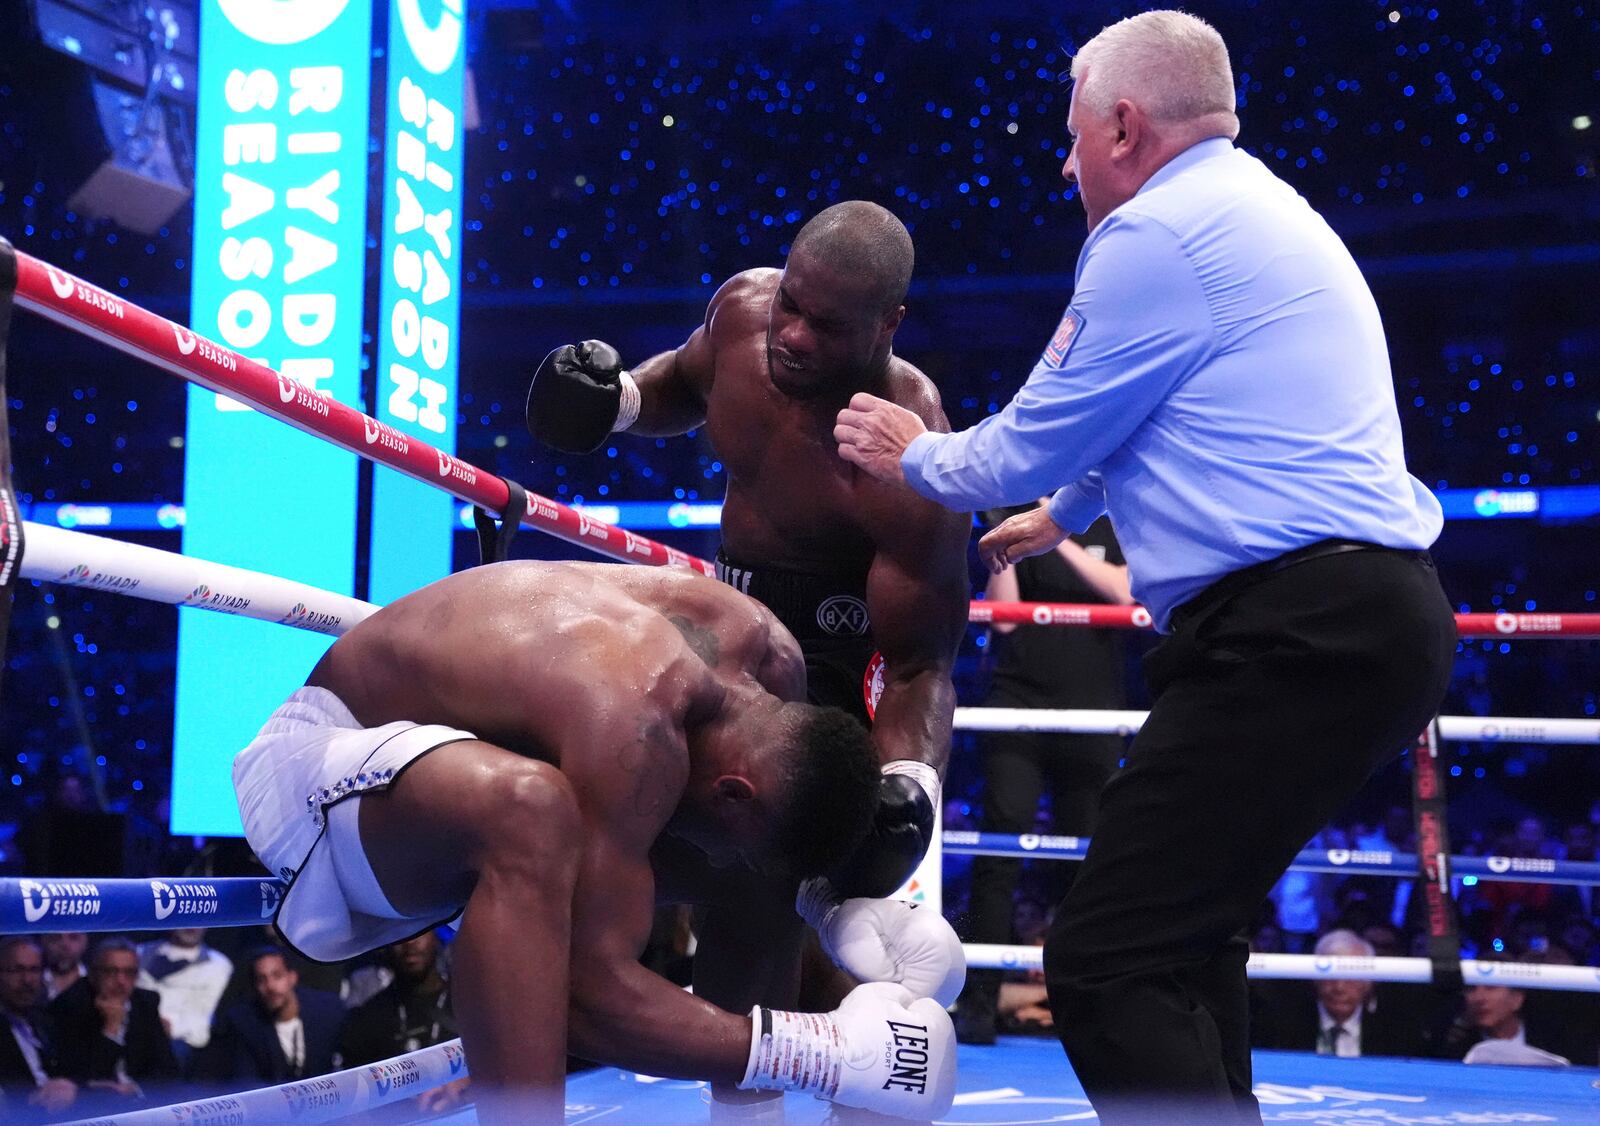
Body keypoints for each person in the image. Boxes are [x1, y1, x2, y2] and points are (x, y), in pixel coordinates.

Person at [833, 10, 1457, 1121]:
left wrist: (912, 453)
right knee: (1182, 937)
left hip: (1294, 630)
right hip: (1346, 619)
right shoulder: (1250, 206)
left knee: (1104, 956)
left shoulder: (1153, 235)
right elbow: (1162, 410)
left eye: (1071, 137)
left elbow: (1027, 435)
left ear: (1124, 124)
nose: (1064, 164)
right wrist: (1060, 512)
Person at [233, 560, 959, 1124]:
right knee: (532, 809)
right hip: (317, 767)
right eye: (731, 831)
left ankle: (749, 1118)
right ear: (733, 791)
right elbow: (580, 998)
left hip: (444, 779)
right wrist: (825, 1054)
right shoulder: (632, 723)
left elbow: (758, 844)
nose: (714, 856)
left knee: (754, 870)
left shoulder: (770, 659)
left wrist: (836, 918)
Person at [524, 200, 973, 903]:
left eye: (825, 326)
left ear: (888, 326)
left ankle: (780, 1011)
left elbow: (921, 665)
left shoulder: (909, 452)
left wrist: (907, 783)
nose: (791, 335)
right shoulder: (742, 312)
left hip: (834, 659)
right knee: (612, 818)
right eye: (789, 304)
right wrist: (618, 403)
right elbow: (682, 379)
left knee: (765, 904)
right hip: (728, 619)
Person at [955, 508, 1131, 1044]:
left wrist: (1054, 536)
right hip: (1019, 700)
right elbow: (1004, 615)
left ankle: (1086, 1007)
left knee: (1084, 858)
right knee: (999, 848)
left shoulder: (1112, 517)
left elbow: (1126, 592)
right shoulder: (1019, 519)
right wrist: (1003, 539)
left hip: (1094, 707)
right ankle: (979, 1003)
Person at [1250, 930, 1426, 1058]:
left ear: (1369, 983)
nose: (1339, 987)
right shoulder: (1280, 1022)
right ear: (1315, 979)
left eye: (1350, 978)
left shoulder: (1397, 1029)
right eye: (1330, 977)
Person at [47, 938, 177, 1107]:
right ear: (93, 974)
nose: (121, 981)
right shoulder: (70, 1005)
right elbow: (87, 1079)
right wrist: (111, 1029)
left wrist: (136, 1089)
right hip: (94, 1107)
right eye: (111, 972)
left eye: (129, 972)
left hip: (142, 1103)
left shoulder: (145, 1002)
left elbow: (169, 1070)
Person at [201, 947, 344, 1086]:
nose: (270, 986)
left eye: (277, 976)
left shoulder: (328, 1010)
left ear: (292, 977)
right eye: (261, 979)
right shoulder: (245, 1024)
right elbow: (246, 1083)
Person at [0, 936, 78, 1120]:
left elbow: (74, 1070)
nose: (27, 980)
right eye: (16, 970)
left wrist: (70, 1087)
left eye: (34, 970)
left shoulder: (47, 1019)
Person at [136, 927, 232, 1074]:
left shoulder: (219, 964)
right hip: (139, 1037)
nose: (191, 927)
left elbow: (203, 1017)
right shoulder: (140, 953)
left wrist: (166, 1029)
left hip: (184, 1048)